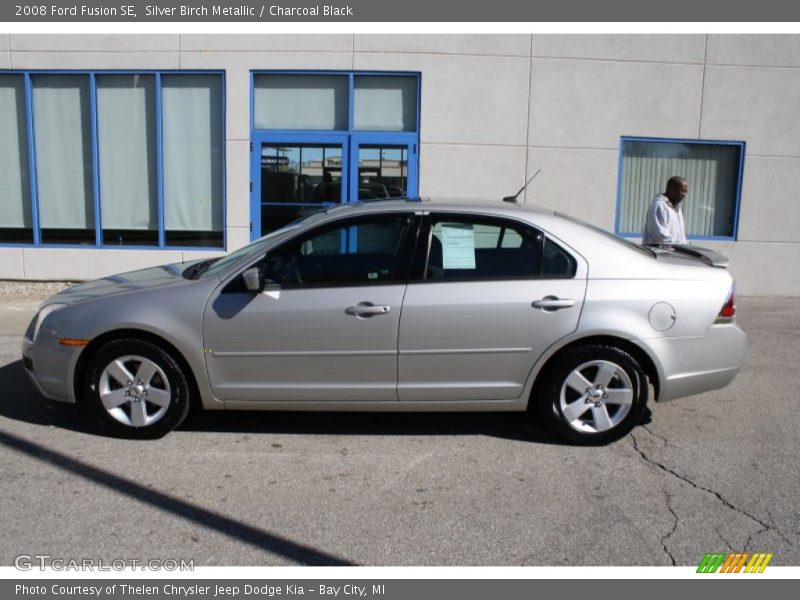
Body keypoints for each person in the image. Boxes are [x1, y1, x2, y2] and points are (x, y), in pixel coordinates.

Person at [642, 176, 688, 245]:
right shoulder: (659, 206)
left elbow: (681, 236)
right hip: (659, 253)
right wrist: (679, 245)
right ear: (672, 189)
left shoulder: (677, 208)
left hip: (676, 252)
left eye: (686, 192)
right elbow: (661, 237)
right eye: (682, 191)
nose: (684, 195)